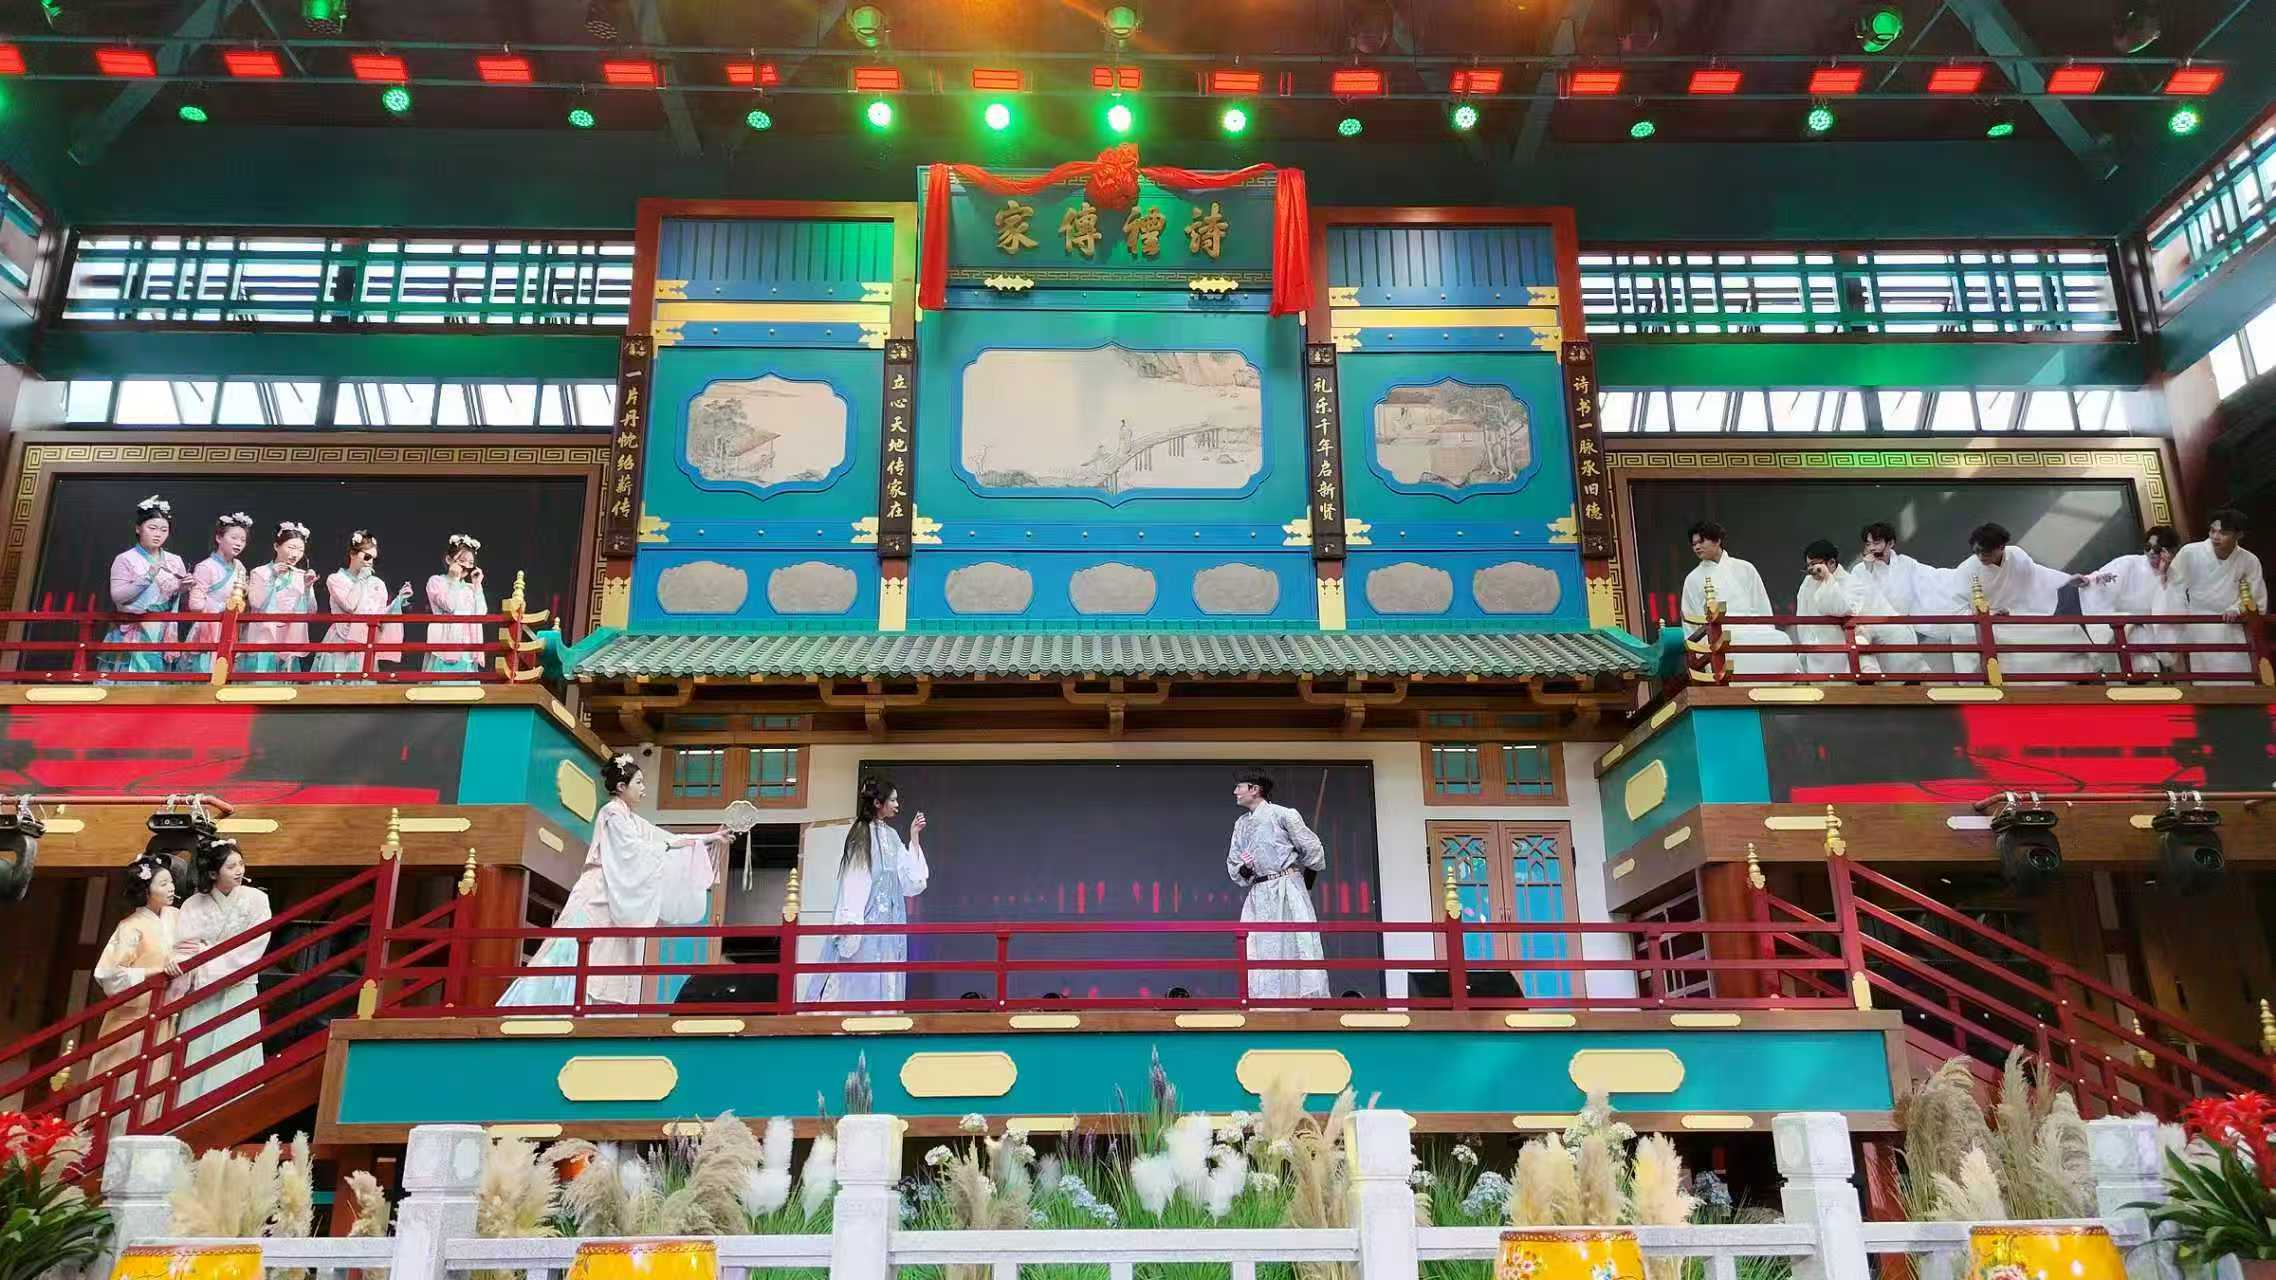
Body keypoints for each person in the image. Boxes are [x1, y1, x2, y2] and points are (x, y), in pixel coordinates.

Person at [499, 754, 727, 1008]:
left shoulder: (631, 819)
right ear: (621, 787)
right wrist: (667, 846)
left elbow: (664, 839)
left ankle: (594, 1011)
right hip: (598, 890)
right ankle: (556, 1008)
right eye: (638, 783)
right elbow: (633, 849)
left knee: (607, 956)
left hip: (614, 892)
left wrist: (707, 838)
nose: (643, 788)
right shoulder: (611, 813)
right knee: (577, 951)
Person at [807, 776, 931, 1006]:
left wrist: (914, 836)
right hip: (866, 927)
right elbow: (854, 882)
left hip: (890, 927)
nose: (897, 805)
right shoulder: (861, 833)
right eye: (892, 800)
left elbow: (911, 882)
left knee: (886, 981)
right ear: (877, 803)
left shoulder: (892, 836)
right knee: (861, 984)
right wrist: (851, 926)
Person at [82, 854, 182, 1131]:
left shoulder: (177, 917)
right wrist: (155, 972)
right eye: (163, 884)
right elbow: (109, 974)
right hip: (131, 1018)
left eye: (171, 882)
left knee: (156, 1086)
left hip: (165, 1015)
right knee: (121, 1089)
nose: (171, 888)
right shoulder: (130, 927)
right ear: (146, 890)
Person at [171, 837, 271, 1104]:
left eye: (241, 864)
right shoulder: (193, 904)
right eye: (231, 867)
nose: (239, 871)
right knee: (199, 1051)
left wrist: (207, 956)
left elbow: (254, 945)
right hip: (202, 991)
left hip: (238, 985)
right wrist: (200, 958)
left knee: (234, 1049)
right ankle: (191, 1110)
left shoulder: (257, 900)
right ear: (213, 873)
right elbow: (184, 946)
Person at [1226, 769, 1328, 1002]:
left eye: (1239, 787)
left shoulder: (1283, 815)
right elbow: (1235, 864)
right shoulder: (1241, 824)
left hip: (1287, 888)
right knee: (1259, 947)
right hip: (1259, 893)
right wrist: (1246, 869)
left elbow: (1313, 851)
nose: (1235, 792)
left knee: (1295, 944)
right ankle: (1264, 1003)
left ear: (1255, 789)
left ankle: (1301, 1003)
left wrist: (1304, 881)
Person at [1949, 523, 2094, 677]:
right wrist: (1991, 615)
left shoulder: (2016, 555)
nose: (1980, 557)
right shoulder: (1967, 569)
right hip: (1989, 624)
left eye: (1985, 552)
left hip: (2020, 614)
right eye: (1976, 552)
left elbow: (2038, 574)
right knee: (2009, 646)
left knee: (2069, 631)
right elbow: (1959, 608)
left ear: (2001, 547)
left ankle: (2078, 677)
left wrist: (2068, 579)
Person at [1679, 521, 1801, 677]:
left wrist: (1767, 628)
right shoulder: (1693, 578)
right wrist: (1697, 652)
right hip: (1716, 633)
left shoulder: (1745, 568)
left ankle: (1786, 680)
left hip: (1751, 626)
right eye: (1694, 544)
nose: (1697, 547)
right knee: (1732, 641)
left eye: (1701, 542)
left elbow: (1761, 605)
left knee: (1780, 638)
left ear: (1717, 540)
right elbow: (1690, 620)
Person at [1795, 540, 1923, 676]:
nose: (1811, 570)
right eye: (1808, 566)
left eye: (1815, 564)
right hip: (1817, 652)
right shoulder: (1807, 585)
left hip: (1844, 648)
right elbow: (1803, 621)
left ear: (1831, 562)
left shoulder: (1851, 582)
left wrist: (1827, 578)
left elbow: (1841, 609)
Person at [2169, 509, 2269, 678]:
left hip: (2233, 624)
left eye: (2223, 533)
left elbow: (2256, 595)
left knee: (2239, 676)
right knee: (2205, 678)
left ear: (2239, 535)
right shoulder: (2190, 552)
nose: (2215, 537)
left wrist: (2236, 609)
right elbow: (2171, 586)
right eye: (2212, 531)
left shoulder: (2249, 560)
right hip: (2199, 624)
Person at [1853, 522, 1958, 673]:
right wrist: (1868, 570)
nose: (1872, 548)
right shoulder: (1860, 570)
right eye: (1868, 544)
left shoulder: (1906, 564)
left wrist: (1961, 576)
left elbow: (1933, 577)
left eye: (1876, 543)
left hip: (1901, 629)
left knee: (1911, 672)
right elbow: (1857, 598)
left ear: (1890, 543)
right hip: (1872, 629)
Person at [2076, 525, 2183, 673]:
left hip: (2150, 629)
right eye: (2148, 547)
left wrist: (2163, 575)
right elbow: (2100, 579)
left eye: (2157, 549)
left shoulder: (2175, 577)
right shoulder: (2129, 563)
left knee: (2148, 667)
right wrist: (2089, 581)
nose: (2151, 552)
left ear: (2170, 552)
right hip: (2123, 624)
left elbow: (2172, 609)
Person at [102, 496, 189, 676]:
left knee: (158, 684)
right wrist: (148, 576)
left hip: (163, 631)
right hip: (135, 629)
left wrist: (183, 587)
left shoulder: (175, 560)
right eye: (152, 528)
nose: (158, 534)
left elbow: (177, 599)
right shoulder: (125, 559)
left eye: (164, 530)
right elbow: (118, 596)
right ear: (138, 528)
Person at [314, 531, 413, 678]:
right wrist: (361, 580)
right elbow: (350, 606)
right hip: (341, 641)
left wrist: (398, 601)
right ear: (352, 554)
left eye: (373, 559)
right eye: (366, 557)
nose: (370, 562)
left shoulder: (377, 583)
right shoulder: (336, 579)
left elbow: (379, 615)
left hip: (366, 641)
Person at [240, 522, 319, 678]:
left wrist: (307, 588)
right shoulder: (260, 572)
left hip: (288, 636)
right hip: (263, 635)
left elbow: (311, 612)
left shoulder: (301, 575)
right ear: (276, 546)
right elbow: (256, 603)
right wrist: (272, 577)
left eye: (300, 550)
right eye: (291, 548)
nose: (295, 554)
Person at [180, 512, 254, 675]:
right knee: (206, 673)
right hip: (208, 628)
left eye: (243, 540)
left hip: (231, 627)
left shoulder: (239, 566)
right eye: (234, 538)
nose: (239, 543)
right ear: (219, 538)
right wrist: (223, 606)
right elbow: (195, 605)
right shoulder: (206, 567)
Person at [424, 533, 488, 675]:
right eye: (462, 560)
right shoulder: (436, 581)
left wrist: (477, 586)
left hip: (468, 649)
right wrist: (454, 579)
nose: (466, 566)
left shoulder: (470, 588)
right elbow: (450, 605)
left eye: (471, 563)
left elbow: (481, 614)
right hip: (445, 645)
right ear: (449, 559)